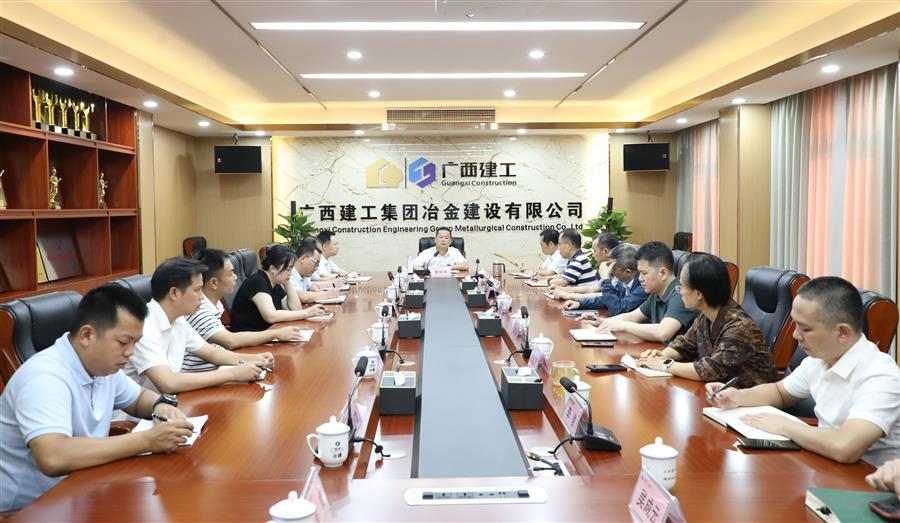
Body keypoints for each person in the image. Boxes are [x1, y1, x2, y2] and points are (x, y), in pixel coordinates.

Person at [0, 285, 194, 512]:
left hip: (83, 488)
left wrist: (162, 406)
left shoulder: (101, 366)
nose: (130, 352)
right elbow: (53, 456)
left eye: (135, 343)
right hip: (30, 509)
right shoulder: (44, 377)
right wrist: (147, 441)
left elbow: (138, 398)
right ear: (87, 335)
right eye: (123, 342)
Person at [707, 276, 900, 466]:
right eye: (795, 324)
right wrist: (738, 397)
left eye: (805, 329)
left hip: (868, 479)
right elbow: (780, 392)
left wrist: (785, 426)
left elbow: (845, 447)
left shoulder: (881, 376)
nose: (795, 335)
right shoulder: (820, 359)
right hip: (825, 465)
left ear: (842, 332)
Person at [124, 257, 273, 395]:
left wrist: (253, 359)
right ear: (174, 293)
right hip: (142, 413)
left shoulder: (178, 319)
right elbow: (168, 383)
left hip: (169, 402)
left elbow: (212, 354)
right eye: (197, 290)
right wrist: (233, 374)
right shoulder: (145, 327)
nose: (202, 296)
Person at [636, 253, 776, 387]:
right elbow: (684, 345)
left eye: (682, 287)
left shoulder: (740, 327)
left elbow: (711, 370)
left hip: (751, 398)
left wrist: (664, 365)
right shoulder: (705, 317)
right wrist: (661, 355)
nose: (679, 291)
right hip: (721, 393)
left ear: (698, 294)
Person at [182, 249, 304, 372]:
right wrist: (276, 334)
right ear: (214, 282)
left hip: (220, 366)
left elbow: (217, 354)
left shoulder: (215, 304)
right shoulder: (198, 309)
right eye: (231, 273)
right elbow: (230, 341)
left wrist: (251, 361)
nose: (236, 277)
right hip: (203, 374)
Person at [591, 241, 697, 342]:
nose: (640, 278)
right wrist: (603, 322)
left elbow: (663, 332)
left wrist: (623, 326)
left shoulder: (680, 294)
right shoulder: (657, 293)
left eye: (644, 273)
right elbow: (633, 316)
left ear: (663, 273)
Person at [229, 244, 329, 332]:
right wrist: (307, 313)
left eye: (291, 269)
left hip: (267, 333)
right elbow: (271, 316)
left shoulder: (275, 282)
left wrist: (287, 282)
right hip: (249, 339)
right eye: (288, 269)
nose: (290, 273)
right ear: (273, 268)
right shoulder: (258, 282)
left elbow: (295, 309)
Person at [562, 243, 648, 315]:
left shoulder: (643, 286)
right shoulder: (623, 281)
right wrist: (580, 303)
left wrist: (606, 279)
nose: (609, 270)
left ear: (627, 272)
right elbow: (607, 299)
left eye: (613, 268)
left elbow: (618, 309)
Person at [548, 232, 619, 294]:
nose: (593, 255)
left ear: (605, 251)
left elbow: (606, 297)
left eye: (595, 251)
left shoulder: (619, 272)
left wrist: (569, 295)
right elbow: (591, 289)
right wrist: (563, 290)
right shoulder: (608, 269)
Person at [289, 238, 343, 304]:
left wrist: (321, 293)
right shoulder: (289, 272)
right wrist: (327, 294)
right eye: (315, 263)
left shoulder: (303, 274)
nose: (316, 268)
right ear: (303, 259)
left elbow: (312, 286)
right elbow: (300, 296)